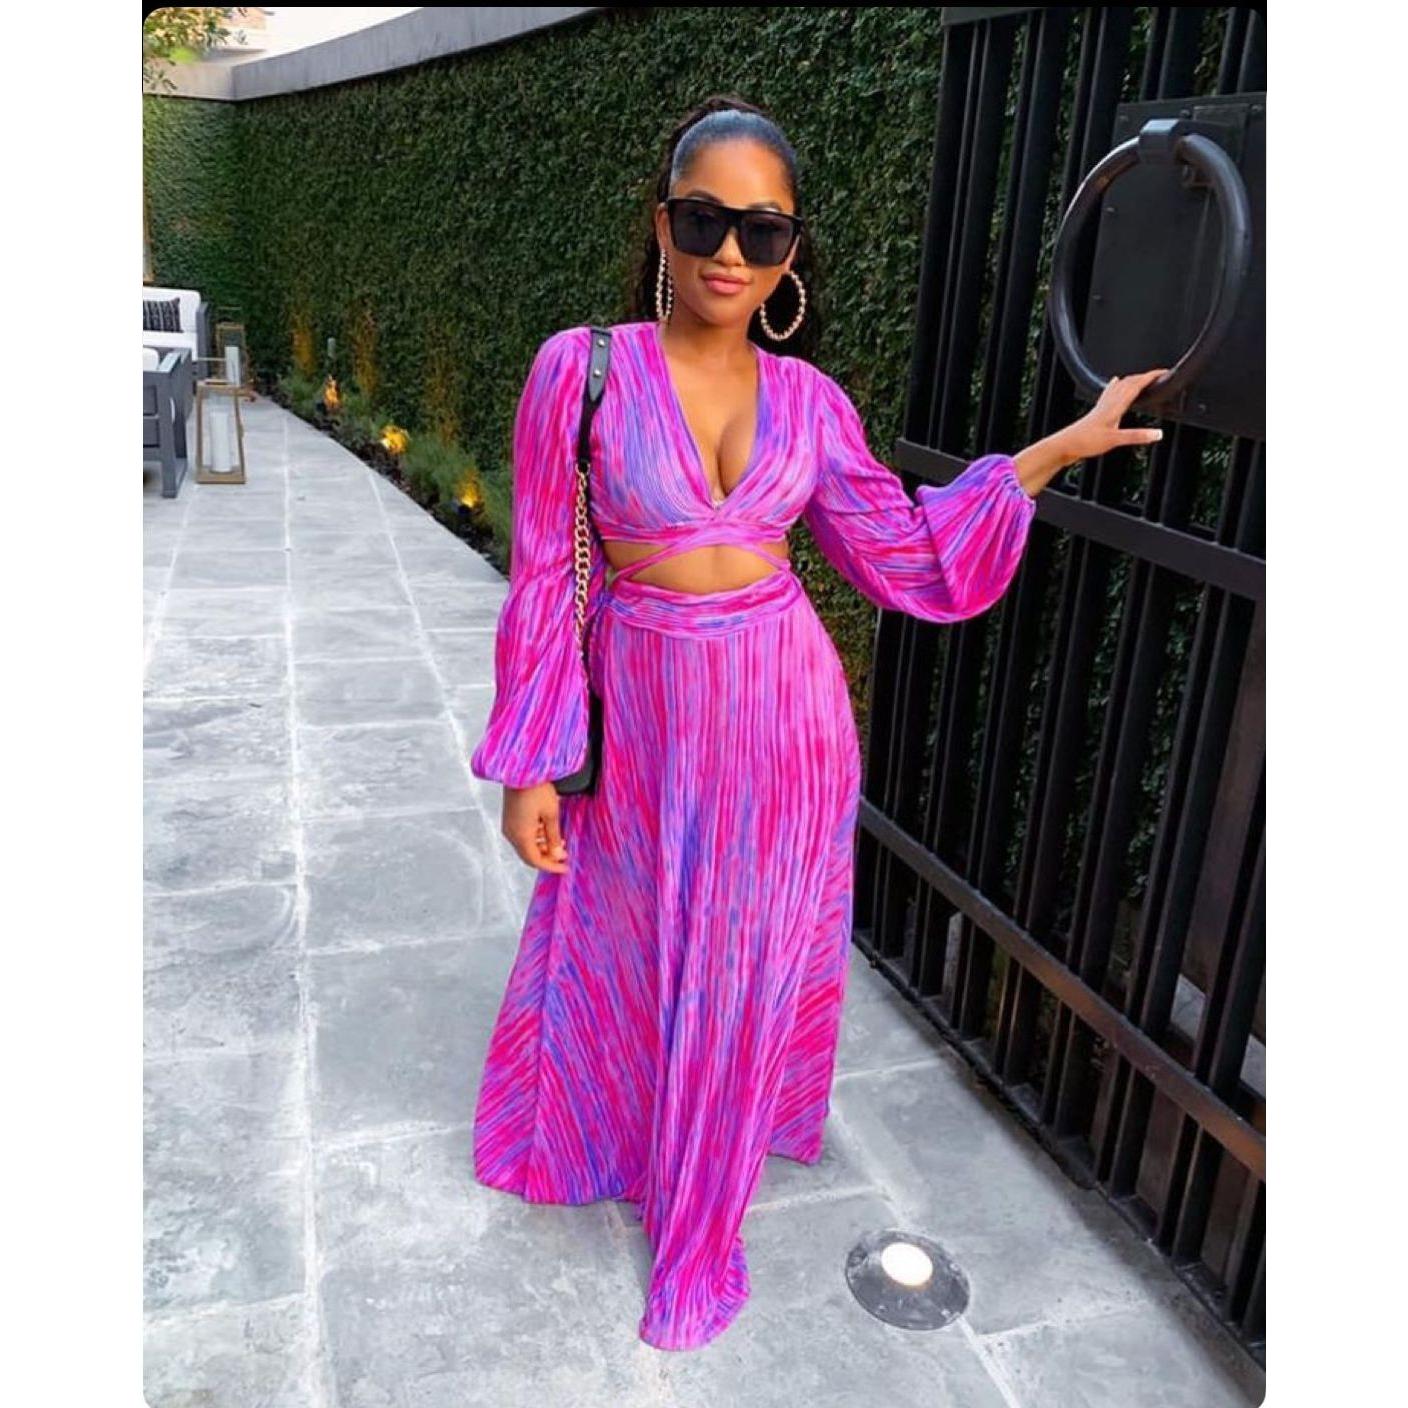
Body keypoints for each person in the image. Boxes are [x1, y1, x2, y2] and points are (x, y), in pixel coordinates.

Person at [467, 98, 1166, 1351]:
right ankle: (615, 1134)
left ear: (790, 253)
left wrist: (1051, 453)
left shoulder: (809, 401)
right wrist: (530, 762)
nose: (730, 252)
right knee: (628, 936)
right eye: (704, 221)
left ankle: (701, 1220)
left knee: (736, 971)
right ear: (661, 225)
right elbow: (543, 575)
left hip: (786, 728)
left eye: (764, 230)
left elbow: (904, 553)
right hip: (647, 721)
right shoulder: (581, 368)